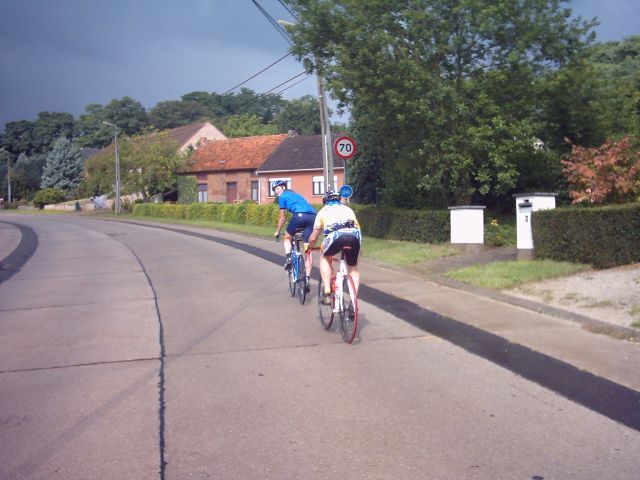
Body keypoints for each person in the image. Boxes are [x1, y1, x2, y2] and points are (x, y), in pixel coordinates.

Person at [307, 190, 362, 305]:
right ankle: (353, 301)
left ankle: (327, 292)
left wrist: (309, 247)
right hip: (354, 237)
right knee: (353, 268)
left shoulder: (323, 211)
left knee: (325, 256)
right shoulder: (348, 209)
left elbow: (313, 237)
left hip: (336, 237)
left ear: (325, 201)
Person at [272, 180, 317, 290]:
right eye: (274, 190)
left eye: (277, 189)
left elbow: (282, 218)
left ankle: (289, 259)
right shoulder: (296, 194)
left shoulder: (282, 197)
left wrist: (277, 231)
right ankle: (307, 280)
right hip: (313, 218)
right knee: (307, 250)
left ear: (283, 187)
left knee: (287, 237)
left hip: (299, 216)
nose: (276, 192)